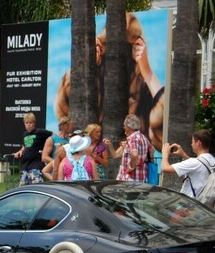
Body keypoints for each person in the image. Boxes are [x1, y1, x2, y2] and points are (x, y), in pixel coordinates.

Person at [53, 13, 164, 151]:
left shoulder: (142, 90)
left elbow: (162, 131)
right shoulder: (90, 81)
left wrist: (147, 71)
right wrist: (89, 65)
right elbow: (63, 108)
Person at [161, 129, 215, 198]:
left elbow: (165, 168)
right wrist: (183, 154)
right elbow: (198, 166)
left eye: (192, 142)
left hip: (190, 205)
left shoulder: (195, 163)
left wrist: (165, 154)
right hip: (204, 203)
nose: (191, 145)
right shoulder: (214, 161)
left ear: (198, 143)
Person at [13, 112, 52, 186]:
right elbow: (25, 146)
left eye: (30, 123)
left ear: (34, 123)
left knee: (36, 187)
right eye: (26, 123)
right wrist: (19, 151)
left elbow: (53, 136)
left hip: (35, 166)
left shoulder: (40, 132)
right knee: (22, 189)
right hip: (25, 166)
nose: (28, 124)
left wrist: (47, 148)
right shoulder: (25, 134)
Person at [116, 114, 153, 182]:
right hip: (141, 176)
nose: (124, 127)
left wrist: (130, 167)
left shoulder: (132, 138)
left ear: (129, 126)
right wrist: (143, 160)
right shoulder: (144, 138)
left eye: (125, 125)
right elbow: (151, 150)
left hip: (130, 178)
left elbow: (134, 154)